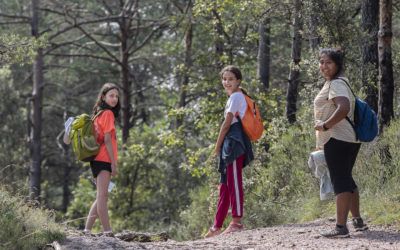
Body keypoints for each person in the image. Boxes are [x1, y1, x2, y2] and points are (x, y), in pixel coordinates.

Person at [314, 48, 368, 238]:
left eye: (328, 62)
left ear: (338, 65)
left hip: (338, 138)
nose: (324, 66)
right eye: (321, 62)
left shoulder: (336, 83)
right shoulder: (336, 82)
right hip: (348, 138)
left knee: (340, 180)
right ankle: (358, 221)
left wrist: (326, 125)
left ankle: (340, 227)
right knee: (346, 177)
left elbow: (343, 107)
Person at [205, 65, 254, 238]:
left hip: (233, 143)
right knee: (224, 186)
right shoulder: (233, 97)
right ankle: (216, 226)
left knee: (234, 182)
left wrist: (217, 147)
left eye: (231, 79)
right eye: (224, 79)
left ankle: (237, 222)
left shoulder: (236, 97)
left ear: (238, 81)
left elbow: (226, 124)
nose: (227, 82)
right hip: (230, 143)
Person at [83, 83, 120, 236]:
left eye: (117, 96)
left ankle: (86, 230)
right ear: (103, 97)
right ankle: (108, 232)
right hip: (104, 160)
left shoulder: (98, 114)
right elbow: (107, 139)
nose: (115, 99)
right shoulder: (108, 114)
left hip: (96, 160)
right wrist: (113, 163)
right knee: (102, 197)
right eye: (111, 96)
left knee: (101, 196)